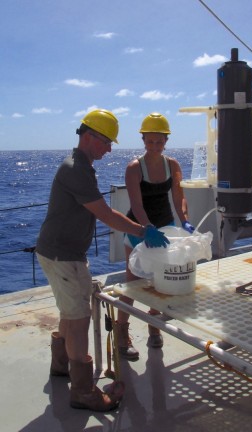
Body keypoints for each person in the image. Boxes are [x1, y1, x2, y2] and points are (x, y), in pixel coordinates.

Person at [36, 109, 169, 412]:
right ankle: (82, 391)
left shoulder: (81, 166)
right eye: (107, 142)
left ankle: (61, 364)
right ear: (89, 137)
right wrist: (141, 230)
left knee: (72, 311)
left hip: (65, 252)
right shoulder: (75, 169)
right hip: (62, 255)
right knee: (80, 317)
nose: (109, 149)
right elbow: (106, 214)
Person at [116, 112, 195, 360]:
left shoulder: (173, 165)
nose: (154, 146)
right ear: (143, 140)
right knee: (132, 284)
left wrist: (185, 220)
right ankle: (122, 334)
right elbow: (136, 205)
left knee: (159, 283)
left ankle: (153, 328)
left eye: (159, 142)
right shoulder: (133, 168)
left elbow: (179, 196)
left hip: (166, 228)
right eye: (150, 141)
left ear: (166, 142)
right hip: (139, 229)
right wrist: (146, 228)